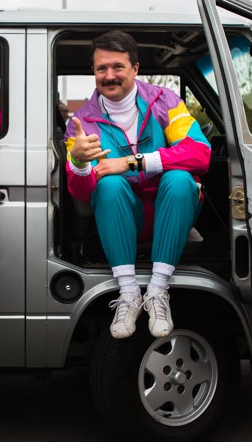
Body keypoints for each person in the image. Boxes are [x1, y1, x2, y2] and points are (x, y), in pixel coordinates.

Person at [65, 31, 210, 339]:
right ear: (93, 72)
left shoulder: (165, 101)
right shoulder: (80, 122)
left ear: (135, 68)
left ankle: (158, 291)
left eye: (117, 67)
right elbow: (82, 194)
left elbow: (200, 152)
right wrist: (77, 162)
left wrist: (134, 161)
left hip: (171, 211)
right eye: (101, 68)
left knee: (181, 178)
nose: (109, 75)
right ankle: (128, 293)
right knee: (108, 186)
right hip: (122, 218)